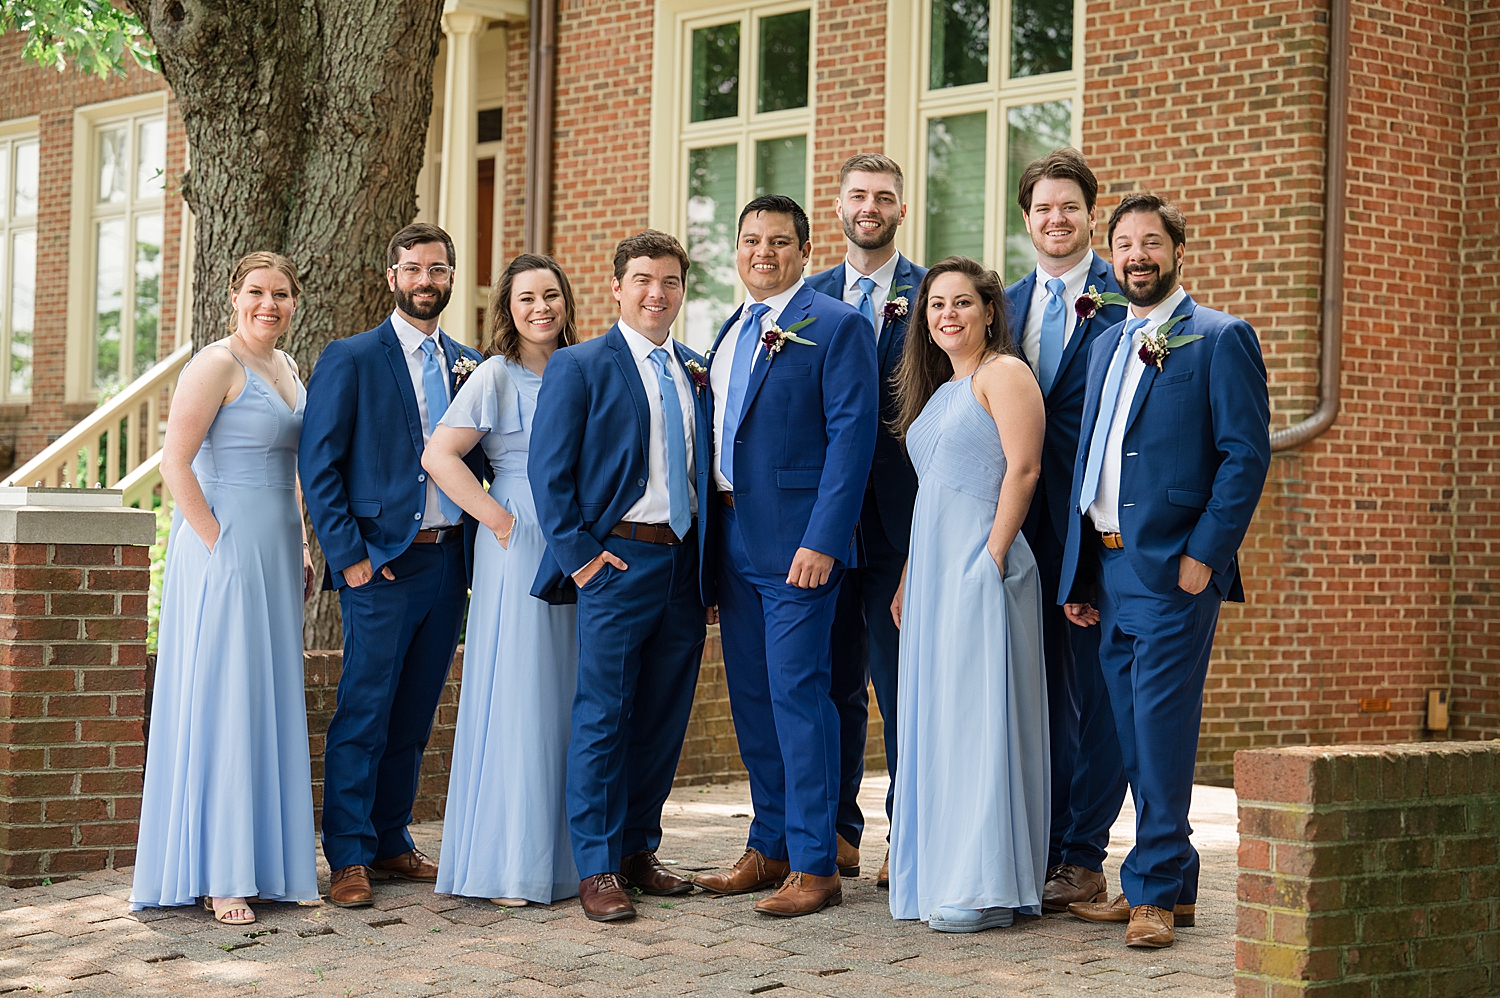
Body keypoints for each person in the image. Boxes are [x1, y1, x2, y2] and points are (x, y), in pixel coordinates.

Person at [1060, 194, 1270, 948]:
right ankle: (1171, 885)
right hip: (1110, 572)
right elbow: (1094, 463)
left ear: (1178, 250)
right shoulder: (1108, 343)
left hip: (1172, 573)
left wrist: (1203, 558)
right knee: (1127, 731)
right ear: (1108, 255)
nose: (1137, 255)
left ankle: (1148, 895)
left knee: (1158, 730)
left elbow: (1245, 456)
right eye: (1123, 244)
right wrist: (1081, 577)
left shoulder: (1219, 338)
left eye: (1151, 241)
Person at [694, 195, 877, 917]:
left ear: (805, 250)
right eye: (749, 241)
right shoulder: (731, 330)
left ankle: (814, 860)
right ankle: (768, 842)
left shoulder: (837, 326)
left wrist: (823, 539)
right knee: (751, 700)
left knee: (798, 696)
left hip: (799, 543)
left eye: (777, 241)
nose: (761, 252)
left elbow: (852, 439)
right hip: (732, 539)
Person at [528, 230, 714, 922]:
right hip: (615, 563)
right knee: (604, 716)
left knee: (663, 719)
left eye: (668, 281)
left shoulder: (695, 368)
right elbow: (551, 476)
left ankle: (640, 849)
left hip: (684, 566)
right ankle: (599, 867)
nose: (655, 293)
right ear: (616, 287)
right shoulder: (580, 366)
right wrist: (582, 559)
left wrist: (708, 568)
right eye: (642, 280)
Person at [299, 223, 486, 908]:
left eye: (437, 269)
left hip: (446, 566)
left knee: (414, 713)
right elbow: (319, 468)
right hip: (379, 567)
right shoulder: (351, 358)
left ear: (451, 276)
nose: (425, 280)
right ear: (392, 278)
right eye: (413, 269)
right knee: (364, 711)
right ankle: (347, 855)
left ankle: (389, 840)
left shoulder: (468, 363)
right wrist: (348, 559)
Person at [131, 252, 319, 924]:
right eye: (257, 293)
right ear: (234, 296)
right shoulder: (215, 364)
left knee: (263, 698)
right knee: (226, 698)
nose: (269, 305)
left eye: (282, 295)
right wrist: (218, 544)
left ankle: (264, 860)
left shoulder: (289, 368)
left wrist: (298, 542)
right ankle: (221, 874)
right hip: (223, 547)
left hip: (272, 548)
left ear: (295, 302)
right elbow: (173, 464)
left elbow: (294, 469)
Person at [885, 256, 1050, 933]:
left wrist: (991, 555)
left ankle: (984, 883)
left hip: (984, 565)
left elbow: (1026, 466)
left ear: (988, 311)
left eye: (961, 303)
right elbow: (934, 494)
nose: (947, 315)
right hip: (933, 573)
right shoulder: (941, 390)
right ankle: (944, 868)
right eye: (935, 306)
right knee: (942, 719)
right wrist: (907, 578)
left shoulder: (1003, 373)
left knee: (980, 720)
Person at [424, 254, 581, 906]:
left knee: (568, 691)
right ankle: (511, 863)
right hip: (516, 540)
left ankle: (569, 860)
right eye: (527, 299)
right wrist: (499, 518)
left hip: (577, 537)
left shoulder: (583, 368)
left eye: (551, 296)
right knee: (519, 692)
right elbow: (439, 454)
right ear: (508, 310)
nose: (541, 308)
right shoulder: (494, 374)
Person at [1002, 148, 1130, 912]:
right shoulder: (1004, 304)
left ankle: (1085, 853)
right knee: (1033, 690)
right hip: (1020, 527)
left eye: (1070, 207)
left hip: (1097, 529)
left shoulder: (1128, 300)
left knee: (1098, 691)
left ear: (1091, 215)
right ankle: (1041, 846)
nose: (1056, 218)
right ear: (1028, 220)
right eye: (1043, 208)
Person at [805, 154, 927, 887]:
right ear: (839, 205)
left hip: (897, 524)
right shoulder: (807, 295)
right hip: (820, 526)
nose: (870, 206)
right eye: (859, 195)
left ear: (901, 211)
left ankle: (905, 835)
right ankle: (837, 832)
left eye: (884, 197)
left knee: (899, 686)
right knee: (830, 683)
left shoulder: (930, 294)